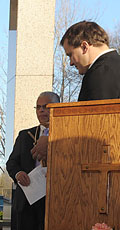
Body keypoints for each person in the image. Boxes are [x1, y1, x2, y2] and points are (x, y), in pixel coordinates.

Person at [32, 21, 120, 162]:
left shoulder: (101, 72)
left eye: (70, 55)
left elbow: (93, 125)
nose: (71, 63)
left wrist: (50, 137)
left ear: (84, 46)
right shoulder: (113, 65)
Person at [5, 91, 60, 230]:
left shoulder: (64, 135)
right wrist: (18, 173)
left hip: (52, 199)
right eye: (38, 107)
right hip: (27, 197)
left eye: (47, 106)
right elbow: (11, 162)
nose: (42, 111)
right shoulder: (24, 135)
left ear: (57, 108)